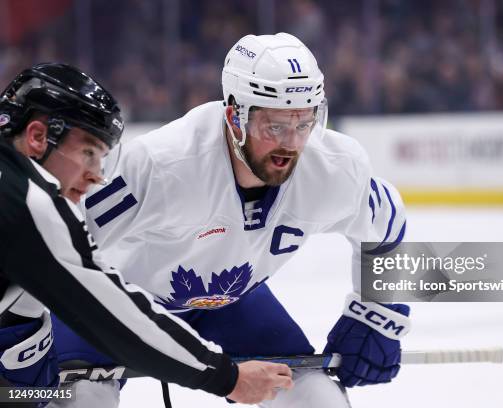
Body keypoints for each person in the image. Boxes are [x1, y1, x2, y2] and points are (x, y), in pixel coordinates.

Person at [52, 33, 410, 407]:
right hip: (115, 306)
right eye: (273, 126)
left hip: (229, 303)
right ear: (233, 116)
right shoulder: (160, 165)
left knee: (318, 398)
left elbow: (388, 228)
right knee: (81, 400)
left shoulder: (334, 167)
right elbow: (47, 239)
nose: (290, 144)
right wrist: (17, 332)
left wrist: (381, 311)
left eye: (303, 123)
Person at [0, 63, 293, 406]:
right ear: (37, 137)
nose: (97, 176)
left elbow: (375, 238)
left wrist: (373, 306)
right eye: (89, 153)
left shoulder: (336, 167)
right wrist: (227, 378)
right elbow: (112, 316)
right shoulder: (34, 203)